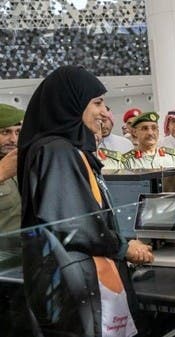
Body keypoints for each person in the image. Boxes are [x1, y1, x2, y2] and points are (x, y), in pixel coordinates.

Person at [17, 65, 153, 337]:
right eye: (97, 103)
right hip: (73, 290)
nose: (105, 112)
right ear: (71, 103)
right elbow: (77, 225)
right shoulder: (56, 151)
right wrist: (124, 247)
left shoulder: (65, 150)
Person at [0, 104, 24, 233]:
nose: (13, 139)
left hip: (30, 245)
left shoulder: (23, 163)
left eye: (18, 132)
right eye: (5, 132)